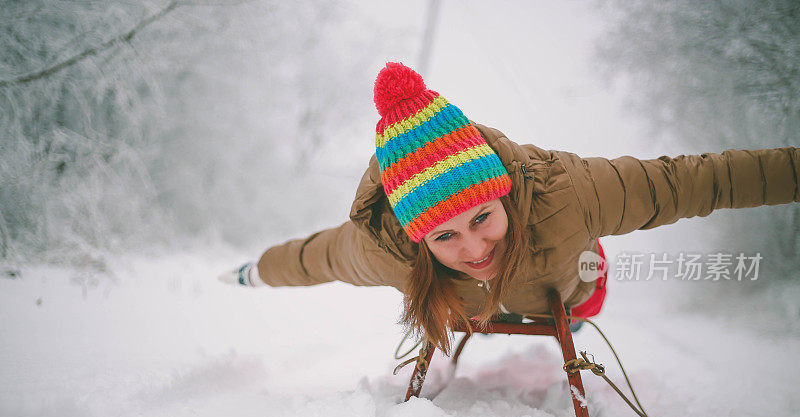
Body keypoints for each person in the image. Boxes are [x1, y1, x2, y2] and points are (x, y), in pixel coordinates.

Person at [219, 62, 798, 354]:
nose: (473, 247)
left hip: (566, 283)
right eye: (443, 237)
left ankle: (575, 276)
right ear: (415, 237)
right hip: (474, 302)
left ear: (502, 193)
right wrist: (252, 272)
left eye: (481, 218)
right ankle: (486, 308)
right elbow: (312, 258)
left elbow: (694, 182)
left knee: (587, 284)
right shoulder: (385, 248)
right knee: (464, 295)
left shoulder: (568, 191)